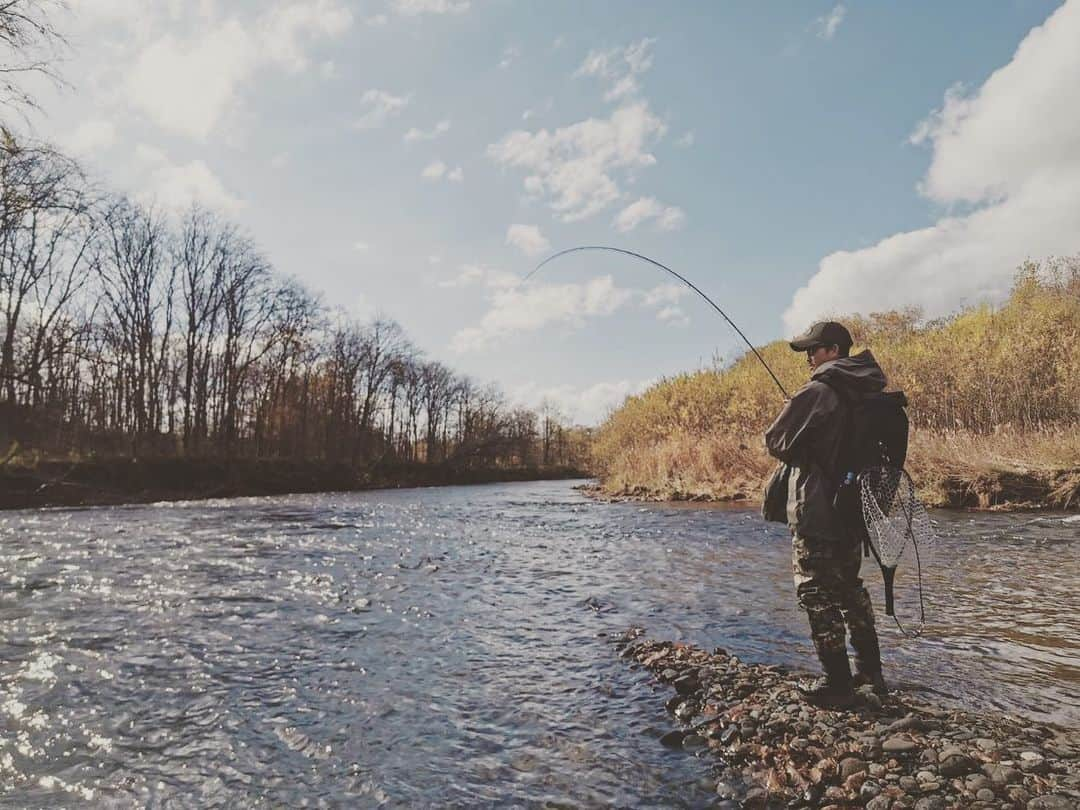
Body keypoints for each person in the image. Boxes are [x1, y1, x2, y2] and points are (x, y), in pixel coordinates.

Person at [764, 321, 888, 708]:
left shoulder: (819, 390)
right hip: (853, 508)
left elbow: (776, 441)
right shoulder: (867, 391)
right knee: (849, 587)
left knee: (814, 590)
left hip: (818, 508)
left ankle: (837, 683)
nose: (808, 358)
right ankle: (871, 673)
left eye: (813, 350)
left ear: (833, 350)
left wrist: (794, 406)